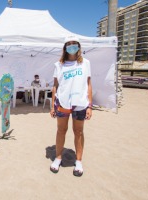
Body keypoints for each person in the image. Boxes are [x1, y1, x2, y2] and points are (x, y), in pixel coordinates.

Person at [49, 35, 92, 177]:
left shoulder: (85, 63)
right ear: (65, 47)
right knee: (61, 130)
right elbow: (55, 86)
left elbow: (89, 84)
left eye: (75, 44)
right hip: (62, 103)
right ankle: (58, 157)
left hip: (80, 103)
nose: (72, 46)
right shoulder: (59, 65)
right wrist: (52, 105)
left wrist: (90, 105)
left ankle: (78, 161)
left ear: (79, 46)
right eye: (69, 44)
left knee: (78, 131)